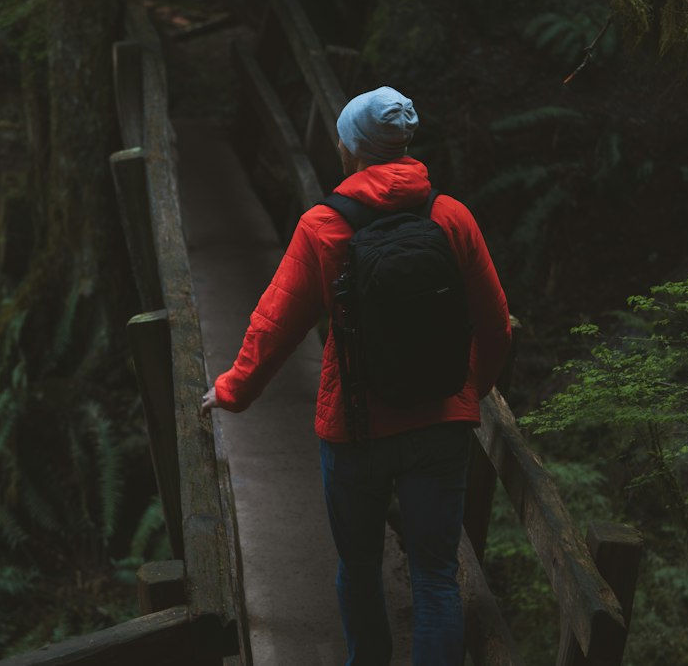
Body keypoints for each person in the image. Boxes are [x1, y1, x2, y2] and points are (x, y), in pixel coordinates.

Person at [201, 85, 511, 666]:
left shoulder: (323, 226)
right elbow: (496, 325)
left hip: (356, 429)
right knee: (437, 579)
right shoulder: (451, 216)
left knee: (360, 568)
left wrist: (232, 391)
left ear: (350, 150)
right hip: (441, 427)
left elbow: (276, 323)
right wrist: (470, 387)